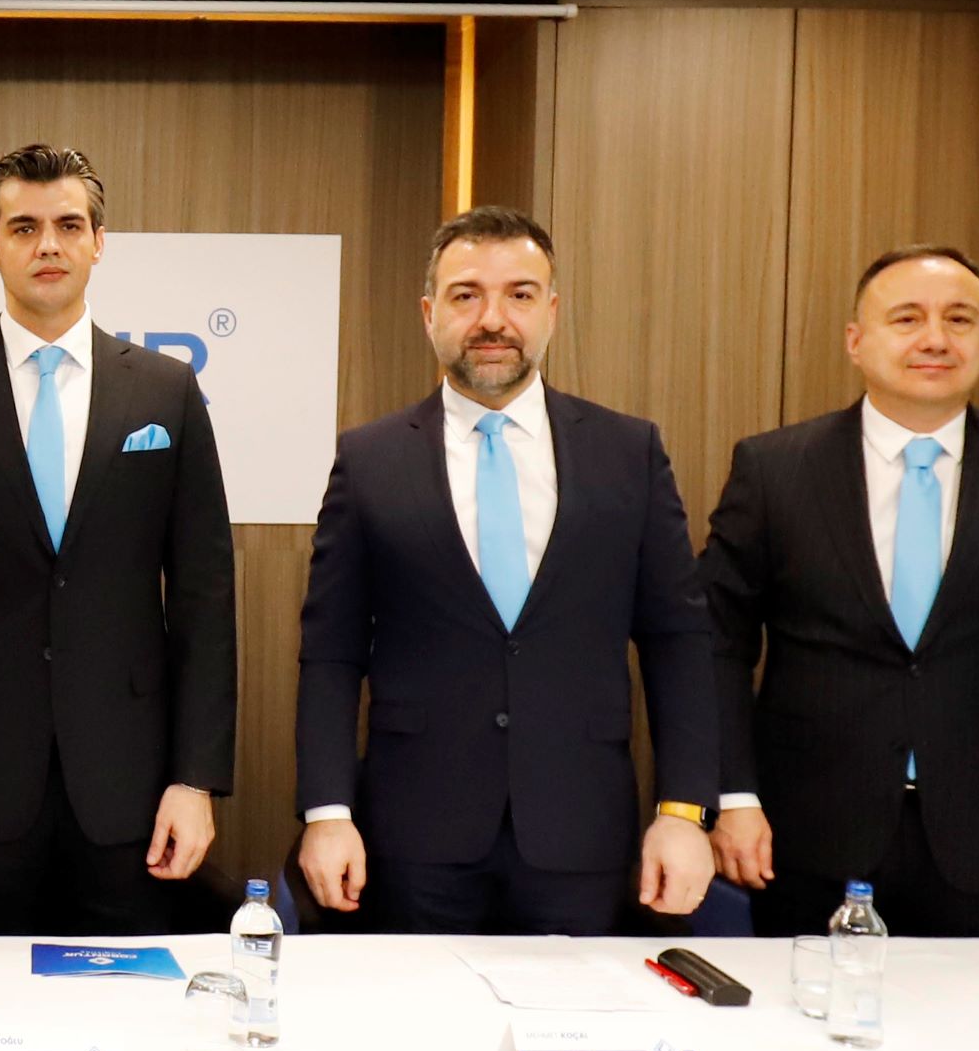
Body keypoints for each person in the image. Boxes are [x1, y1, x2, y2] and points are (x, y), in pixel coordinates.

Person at [294, 205, 717, 935]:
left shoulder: (628, 453)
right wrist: (327, 813)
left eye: (519, 294)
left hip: (581, 834)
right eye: (466, 295)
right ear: (429, 313)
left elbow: (677, 639)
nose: (493, 319)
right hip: (413, 835)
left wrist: (684, 811)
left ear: (551, 311)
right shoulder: (370, 460)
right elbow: (331, 651)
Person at [698, 246, 979, 939]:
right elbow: (714, 646)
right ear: (856, 341)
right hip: (803, 839)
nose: (935, 339)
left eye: (958, 319)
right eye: (907, 318)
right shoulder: (774, 470)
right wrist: (732, 796)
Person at [0, 143, 237, 935]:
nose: (49, 245)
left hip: (133, 797)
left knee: (129, 1001)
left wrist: (196, 779)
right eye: (24, 227)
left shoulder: (165, 391)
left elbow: (204, 600)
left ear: (99, 242)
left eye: (69, 225)